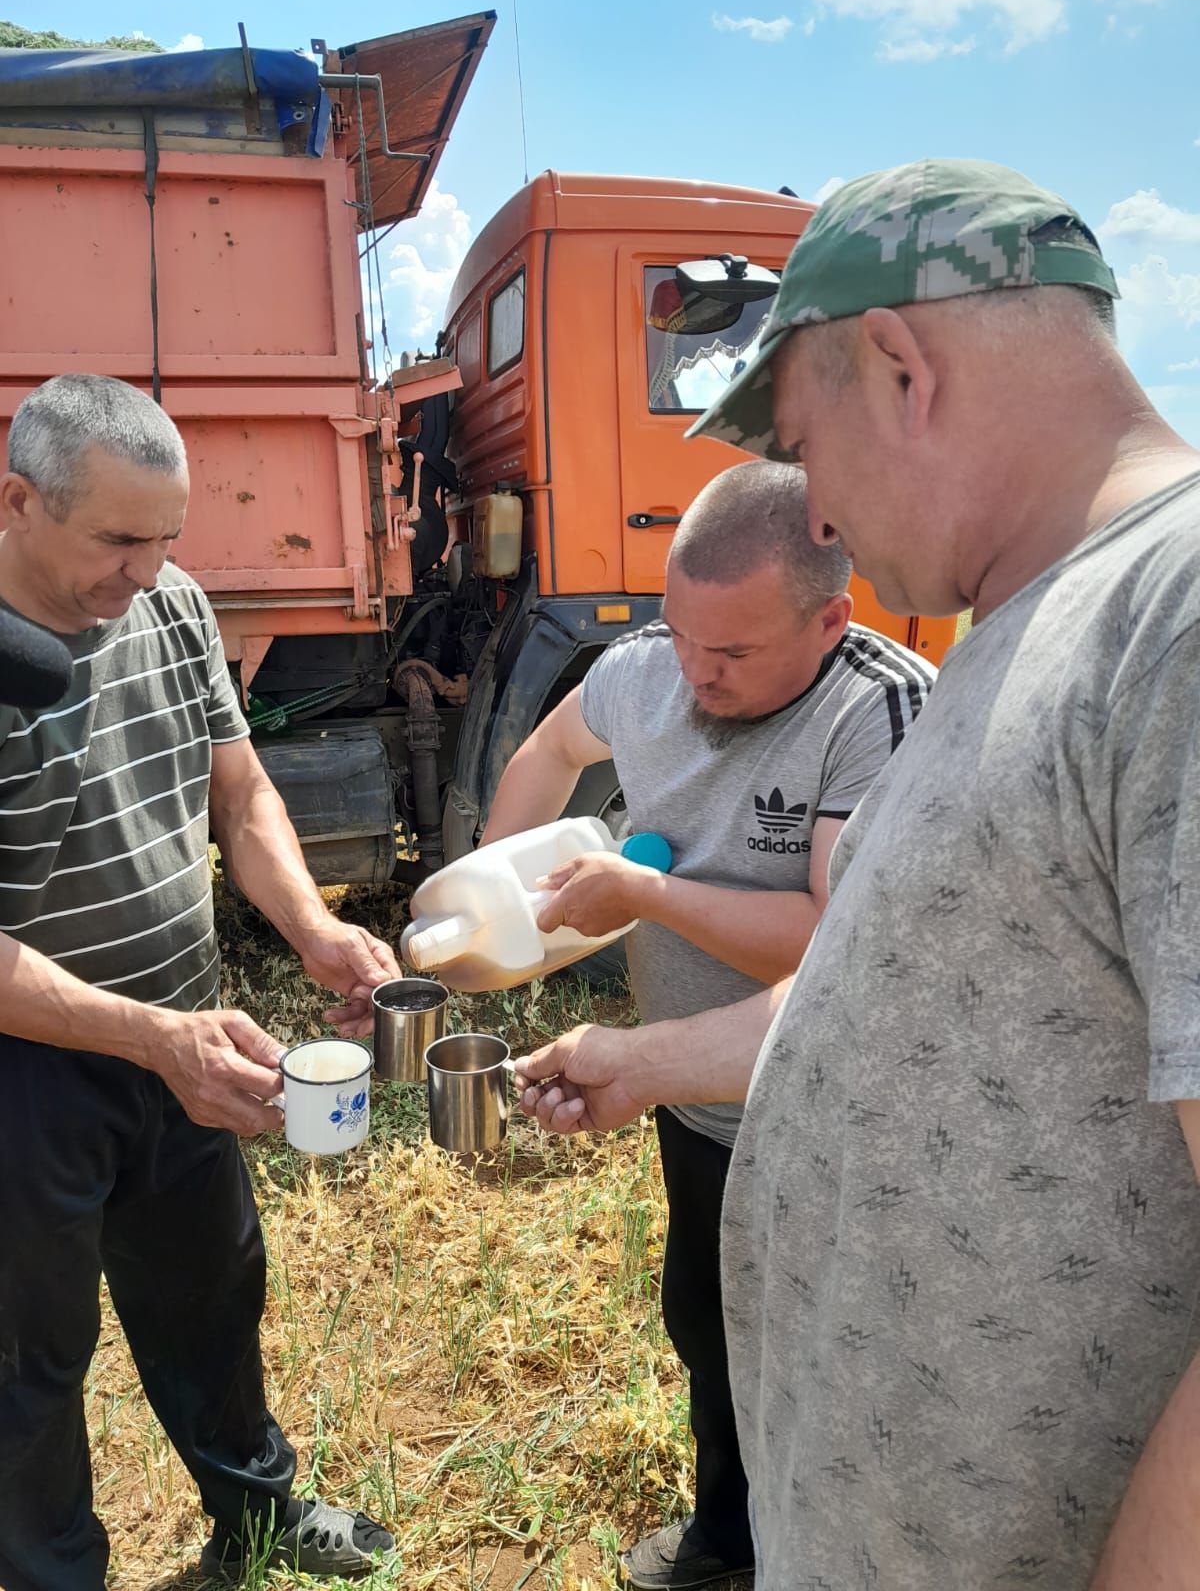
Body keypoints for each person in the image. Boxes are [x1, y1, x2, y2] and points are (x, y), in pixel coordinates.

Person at [513, 160, 1200, 1590]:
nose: (812, 503)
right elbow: (906, 989)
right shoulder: (1027, 625)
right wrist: (652, 1060)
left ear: (899, 364)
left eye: (804, 444)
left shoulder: (1172, 615)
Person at [482, 459, 933, 1589]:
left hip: (828, 1105)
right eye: (682, 633)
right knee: (705, 1318)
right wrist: (485, 894)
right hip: (689, 1092)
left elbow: (834, 943)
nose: (694, 672)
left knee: (831, 1347)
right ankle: (728, 1535)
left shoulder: (878, 706)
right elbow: (547, 752)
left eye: (729, 653)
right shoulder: (644, 672)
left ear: (832, 618)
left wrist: (642, 894)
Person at [0, 375, 399, 1590]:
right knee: (26, 1358)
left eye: (166, 540)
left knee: (214, 1294)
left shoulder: (168, 604)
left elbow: (239, 791)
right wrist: (148, 1034)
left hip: (188, 1030)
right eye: (118, 540)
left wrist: (312, 926)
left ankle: (258, 1513)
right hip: (30, 1067)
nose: (147, 573)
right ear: (17, 500)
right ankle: (49, 1572)